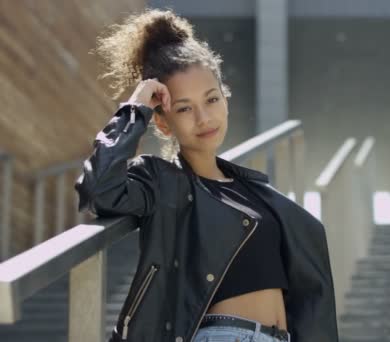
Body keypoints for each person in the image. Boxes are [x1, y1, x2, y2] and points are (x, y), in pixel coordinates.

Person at [74, 8, 338, 342]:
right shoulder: (162, 184)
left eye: (211, 99)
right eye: (184, 108)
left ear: (225, 98)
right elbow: (99, 189)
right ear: (163, 121)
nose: (203, 118)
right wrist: (136, 106)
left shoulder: (253, 191)